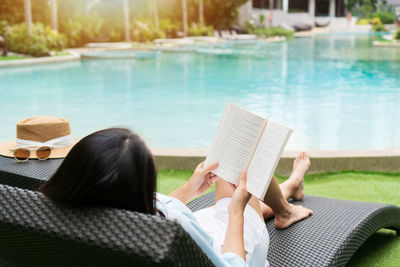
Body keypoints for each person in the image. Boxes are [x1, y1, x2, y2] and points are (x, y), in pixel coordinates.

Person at [38, 128, 312, 266]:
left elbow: (148, 208)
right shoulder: (168, 237)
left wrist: (191, 190)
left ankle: (288, 190)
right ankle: (286, 207)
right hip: (223, 249)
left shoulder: (54, 213)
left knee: (233, 195)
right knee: (244, 166)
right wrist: (237, 212)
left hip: (194, 230)